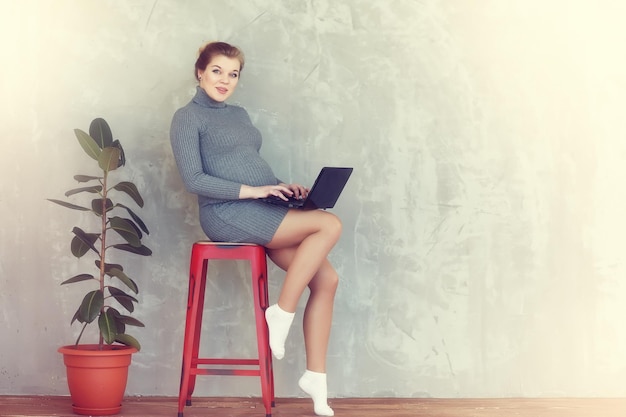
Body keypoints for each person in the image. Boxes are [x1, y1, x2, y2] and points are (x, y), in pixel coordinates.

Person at [170, 41, 342, 417]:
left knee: (327, 281)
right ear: (200, 72)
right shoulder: (187, 118)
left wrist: (281, 187)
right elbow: (194, 179)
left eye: (232, 74)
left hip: (263, 207)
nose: (224, 80)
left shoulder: (240, 114)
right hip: (226, 212)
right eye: (217, 71)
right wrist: (256, 191)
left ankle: (316, 378)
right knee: (328, 223)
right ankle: (281, 312)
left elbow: (247, 164)